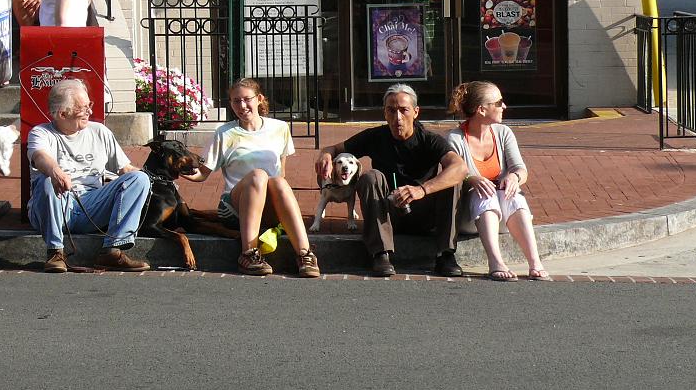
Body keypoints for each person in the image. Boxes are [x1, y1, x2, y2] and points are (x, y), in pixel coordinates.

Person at [315, 84, 467, 277]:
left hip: (424, 214)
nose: (398, 117)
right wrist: (326, 154)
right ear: (385, 113)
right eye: (391, 111)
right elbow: (334, 148)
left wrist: (421, 190)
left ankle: (446, 254)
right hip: (388, 213)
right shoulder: (375, 136)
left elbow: (459, 167)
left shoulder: (430, 140)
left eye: (404, 110)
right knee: (370, 177)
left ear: (416, 112)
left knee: (452, 180)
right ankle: (380, 253)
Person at [184, 78, 321, 278]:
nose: (242, 106)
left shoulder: (280, 128)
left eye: (247, 99)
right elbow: (203, 173)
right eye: (236, 101)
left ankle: (305, 254)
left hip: (268, 206)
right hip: (235, 206)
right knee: (259, 175)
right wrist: (177, 171)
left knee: (279, 182)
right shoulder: (224, 133)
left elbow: (281, 171)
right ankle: (248, 253)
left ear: (259, 99)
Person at [27, 78, 151, 273]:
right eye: (83, 108)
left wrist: (152, 180)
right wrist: (55, 171)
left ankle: (112, 251)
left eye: (89, 105)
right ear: (62, 113)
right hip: (58, 205)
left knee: (140, 179)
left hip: (92, 204)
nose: (89, 112)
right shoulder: (41, 133)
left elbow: (125, 169)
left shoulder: (100, 132)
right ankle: (55, 252)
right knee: (47, 181)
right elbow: (39, 156)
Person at [447, 81, 550, 281]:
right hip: (472, 217)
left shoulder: (503, 133)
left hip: (505, 216)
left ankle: (535, 262)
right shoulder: (455, 139)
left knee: (514, 195)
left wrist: (514, 176)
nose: (504, 106)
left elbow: (521, 169)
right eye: (498, 102)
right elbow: (449, 175)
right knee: (484, 193)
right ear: (481, 110)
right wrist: (471, 179)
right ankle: (496, 262)